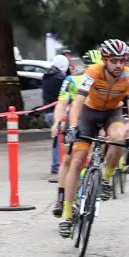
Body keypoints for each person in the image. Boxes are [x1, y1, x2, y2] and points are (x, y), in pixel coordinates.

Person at [58, 39, 129, 238]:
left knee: (119, 137)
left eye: (123, 61)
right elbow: (77, 103)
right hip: (89, 112)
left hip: (112, 114)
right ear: (105, 60)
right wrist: (72, 127)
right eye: (114, 61)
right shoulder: (93, 72)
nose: (119, 65)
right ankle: (67, 214)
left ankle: (105, 178)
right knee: (77, 160)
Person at [50, 50, 100, 217]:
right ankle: (61, 198)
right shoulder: (72, 80)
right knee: (68, 160)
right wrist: (57, 122)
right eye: (92, 66)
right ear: (85, 66)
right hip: (76, 124)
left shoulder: (106, 81)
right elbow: (61, 103)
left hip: (97, 122)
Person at [42, 55, 70, 182]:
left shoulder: (46, 76)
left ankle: (57, 165)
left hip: (47, 112)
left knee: (55, 140)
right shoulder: (61, 78)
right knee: (60, 141)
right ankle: (57, 166)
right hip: (58, 113)